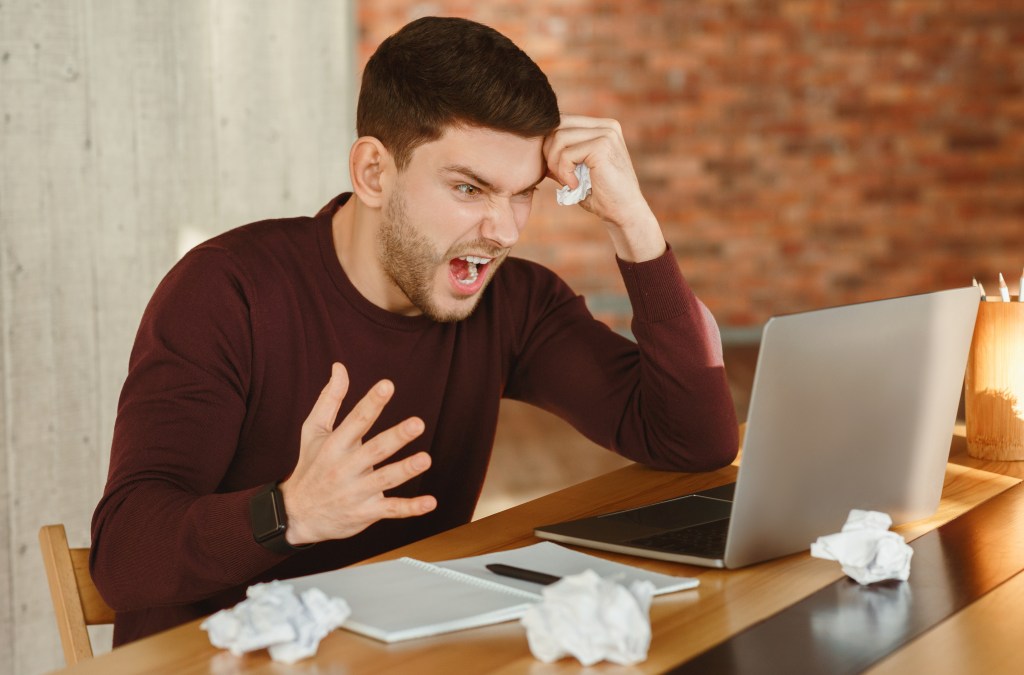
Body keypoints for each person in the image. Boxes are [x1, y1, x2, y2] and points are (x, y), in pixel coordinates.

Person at [90, 16, 738, 645]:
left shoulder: (512, 301)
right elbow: (123, 555)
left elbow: (694, 438)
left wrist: (634, 223)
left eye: (522, 193)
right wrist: (290, 510)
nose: (506, 230)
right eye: (469, 187)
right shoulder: (227, 292)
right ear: (374, 172)